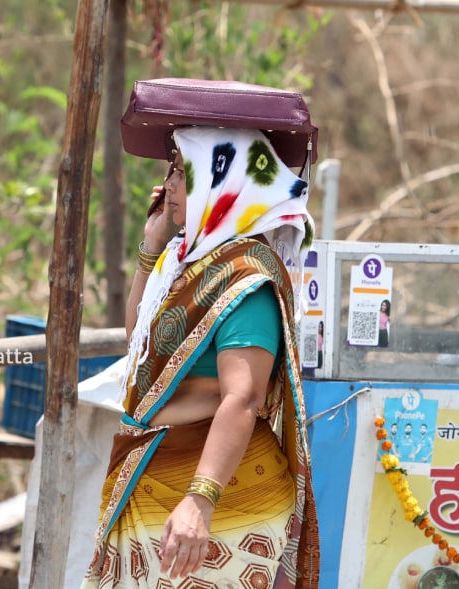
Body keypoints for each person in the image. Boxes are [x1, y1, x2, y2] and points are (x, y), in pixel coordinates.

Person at [82, 126, 320, 588]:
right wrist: (151, 247)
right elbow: (141, 349)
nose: (167, 185)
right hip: (157, 473)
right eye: (171, 172)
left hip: (220, 494)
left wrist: (200, 500)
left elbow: (244, 397)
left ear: (223, 184)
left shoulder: (244, 279)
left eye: (182, 172)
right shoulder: (188, 261)